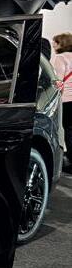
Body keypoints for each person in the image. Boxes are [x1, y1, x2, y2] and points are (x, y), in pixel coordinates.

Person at [51, 32, 72, 171]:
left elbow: (58, 82)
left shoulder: (60, 58)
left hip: (67, 100)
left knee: (69, 129)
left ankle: (71, 161)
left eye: (56, 42)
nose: (53, 44)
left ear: (62, 44)